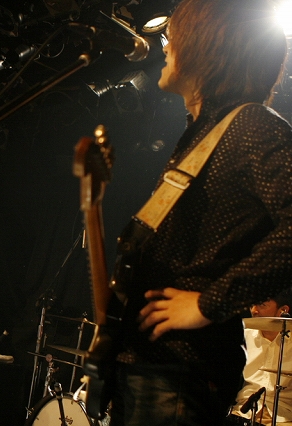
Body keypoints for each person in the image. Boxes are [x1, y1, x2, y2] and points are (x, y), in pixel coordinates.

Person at [107, 1, 292, 425]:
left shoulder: (252, 125)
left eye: (175, 36)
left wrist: (208, 304)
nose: (165, 46)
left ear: (208, 46)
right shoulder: (205, 133)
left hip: (179, 372)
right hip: (150, 365)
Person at [227, 290, 292, 426]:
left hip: (283, 417)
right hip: (241, 412)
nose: (254, 310)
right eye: (252, 305)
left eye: (262, 305)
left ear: (283, 310)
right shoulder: (243, 337)